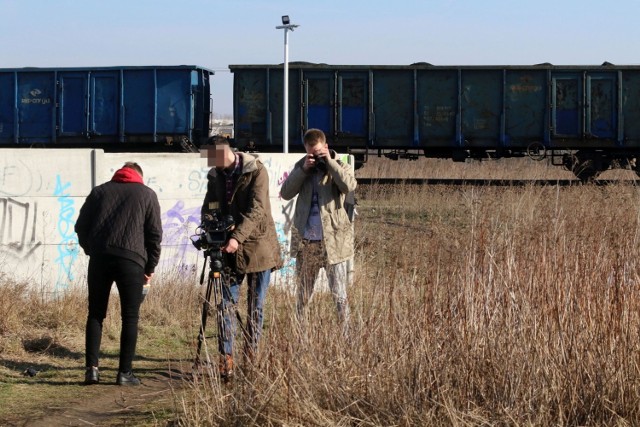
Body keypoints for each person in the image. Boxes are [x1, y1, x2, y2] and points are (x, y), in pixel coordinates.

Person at [75, 162, 162, 386]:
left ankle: (92, 371)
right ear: (139, 176)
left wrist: (91, 249)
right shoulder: (147, 194)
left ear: (120, 174)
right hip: (132, 261)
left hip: (100, 259)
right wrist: (149, 268)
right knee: (130, 317)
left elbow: (80, 226)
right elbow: (154, 235)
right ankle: (125, 373)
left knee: (95, 314)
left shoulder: (99, 192)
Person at [200, 137, 282, 378]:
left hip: (258, 249)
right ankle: (226, 358)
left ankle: (251, 355)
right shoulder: (215, 176)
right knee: (225, 305)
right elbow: (210, 206)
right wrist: (209, 225)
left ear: (226, 152)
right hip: (227, 251)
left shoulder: (255, 170)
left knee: (255, 307)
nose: (212, 163)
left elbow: (258, 209)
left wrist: (236, 237)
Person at [280, 128, 357, 331]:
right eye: (311, 153)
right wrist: (304, 169)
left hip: (333, 243)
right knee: (303, 297)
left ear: (326, 147)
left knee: (339, 296)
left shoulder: (340, 165)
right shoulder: (302, 167)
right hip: (307, 244)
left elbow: (349, 186)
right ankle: (300, 338)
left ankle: (346, 339)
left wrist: (330, 163)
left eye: (318, 153)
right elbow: (286, 193)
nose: (315, 157)